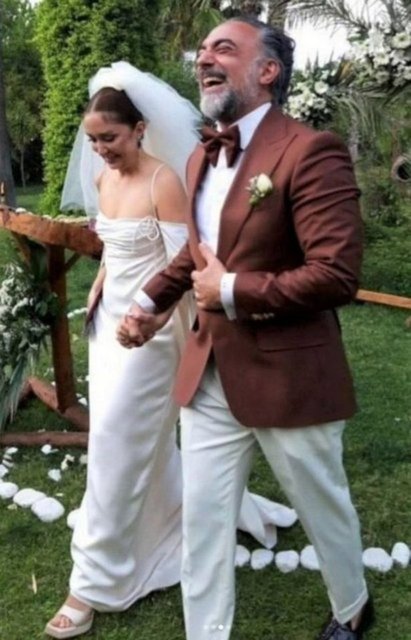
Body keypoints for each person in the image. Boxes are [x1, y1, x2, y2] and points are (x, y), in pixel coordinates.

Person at [119, 17, 375, 640]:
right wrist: (151, 300)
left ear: (268, 70)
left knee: (322, 506)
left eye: (224, 49)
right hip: (209, 373)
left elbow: (336, 274)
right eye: (203, 49)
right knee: (204, 522)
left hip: (290, 373)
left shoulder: (311, 150)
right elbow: (199, 252)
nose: (205, 58)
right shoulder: (201, 154)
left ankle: (352, 606)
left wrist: (232, 290)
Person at [45, 61, 297, 640]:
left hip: (152, 337)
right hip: (108, 330)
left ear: (140, 129)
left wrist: (153, 321)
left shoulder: (164, 182)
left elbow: (184, 268)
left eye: (109, 138)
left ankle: (92, 584)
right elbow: (113, 249)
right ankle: (158, 527)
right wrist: (99, 288)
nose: (100, 151)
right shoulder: (105, 182)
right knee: (129, 442)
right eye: (92, 141)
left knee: (114, 443)